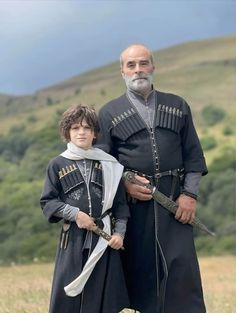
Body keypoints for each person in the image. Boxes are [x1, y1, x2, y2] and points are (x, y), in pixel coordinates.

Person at [97, 44, 208, 313]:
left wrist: (189, 195)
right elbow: (101, 163)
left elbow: (193, 157)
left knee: (182, 275)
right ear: (122, 71)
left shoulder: (178, 105)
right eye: (131, 65)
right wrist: (124, 184)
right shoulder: (109, 112)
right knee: (143, 275)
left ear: (153, 67)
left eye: (143, 63)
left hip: (174, 203)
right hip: (134, 210)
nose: (138, 70)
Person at [40, 104, 130, 313]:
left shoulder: (109, 164)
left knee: (102, 297)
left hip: (104, 238)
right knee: (69, 299)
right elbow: (48, 202)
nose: (81, 132)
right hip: (72, 240)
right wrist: (75, 214)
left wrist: (119, 233)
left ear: (95, 133)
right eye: (75, 128)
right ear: (67, 132)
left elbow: (120, 206)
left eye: (87, 128)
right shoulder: (57, 164)